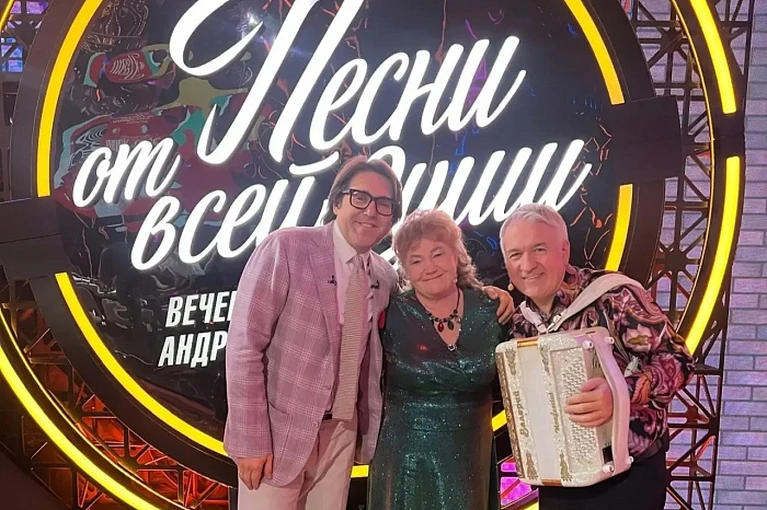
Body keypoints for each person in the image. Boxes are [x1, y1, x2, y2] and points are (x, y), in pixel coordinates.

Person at [225, 155, 514, 510]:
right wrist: (250, 440)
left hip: (342, 435)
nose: (370, 211)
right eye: (359, 197)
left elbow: (434, 299)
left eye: (383, 204)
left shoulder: (383, 276)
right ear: (337, 202)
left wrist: (490, 294)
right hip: (278, 435)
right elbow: (244, 347)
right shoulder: (286, 248)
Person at [499, 203, 695, 510]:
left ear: (564, 250)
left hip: (628, 481)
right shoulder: (519, 323)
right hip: (559, 482)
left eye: (539, 249)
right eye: (515, 254)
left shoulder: (614, 296)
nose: (527, 265)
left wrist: (619, 393)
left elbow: (678, 360)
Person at [368, 209, 506, 510]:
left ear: (456, 255)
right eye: (416, 260)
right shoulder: (389, 313)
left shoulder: (491, 309)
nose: (429, 267)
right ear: (405, 269)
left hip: (471, 459)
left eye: (437, 254)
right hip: (405, 462)